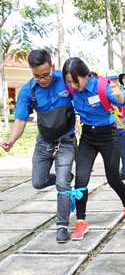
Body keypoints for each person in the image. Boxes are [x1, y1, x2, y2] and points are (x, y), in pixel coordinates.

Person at [1, 49, 77, 243]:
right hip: (44, 142)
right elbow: (20, 120)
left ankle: (62, 226)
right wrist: (12, 140)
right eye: (37, 76)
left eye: (46, 75)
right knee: (38, 182)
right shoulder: (28, 90)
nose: (42, 80)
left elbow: (86, 90)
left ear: (52, 67)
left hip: (66, 141)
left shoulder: (65, 79)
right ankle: (66, 178)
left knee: (61, 185)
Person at [63, 57, 125, 241]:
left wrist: (119, 95)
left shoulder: (102, 86)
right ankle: (81, 221)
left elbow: (120, 102)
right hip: (88, 136)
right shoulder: (72, 88)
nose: (72, 85)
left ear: (85, 75)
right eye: (69, 82)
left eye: (75, 81)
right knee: (80, 180)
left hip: (108, 135)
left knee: (113, 179)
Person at [106, 70, 125, 187]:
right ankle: (113, 179)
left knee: (124, 153)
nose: (113, 82)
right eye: (111, 80)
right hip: (110, 129)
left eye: (115, 79)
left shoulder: (124, 93)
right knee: (111, 155)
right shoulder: (104, 94)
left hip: (123, 128)